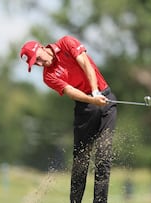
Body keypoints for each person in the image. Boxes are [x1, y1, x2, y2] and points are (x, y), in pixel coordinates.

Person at [20, 35, 117, 203]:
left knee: (103, 158)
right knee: (81, 160)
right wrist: (92, 99)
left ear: (42, 48)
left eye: (38, 59)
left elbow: (86, 63)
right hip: (85, 108)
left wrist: (95, 91)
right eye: (35, 64)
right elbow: (70, 91)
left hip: (106, 99)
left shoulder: (66, 43)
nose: (40, 64)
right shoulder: (48, 76)